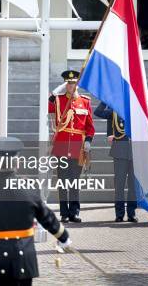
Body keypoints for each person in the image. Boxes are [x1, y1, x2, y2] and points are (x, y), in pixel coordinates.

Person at [0, 137, 71, 286]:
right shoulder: (28, 187)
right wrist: (63, 237)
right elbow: (46, 217)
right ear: (17, 162)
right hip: (23, 261)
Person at [48, 70, 95, 223]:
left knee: (74, 180)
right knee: (62, 180)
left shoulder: (85, 101)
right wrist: (55, 93)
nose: (71, 86)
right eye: (68, 83)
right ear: (65, 85)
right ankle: (64, 213)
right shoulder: (59, 100)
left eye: (73, 83)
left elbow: (89, 126)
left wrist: (88, 140)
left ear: (77, 84)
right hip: (62, 145)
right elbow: (47, 106)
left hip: (78, 146)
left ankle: (74, 212)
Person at [94, 102, 138, 222]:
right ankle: (119, 214)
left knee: (133, 186)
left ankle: (131, 213)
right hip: (119, 151)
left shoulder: (137, 110)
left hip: (135, 151)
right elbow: (98, 112)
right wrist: (106, 100)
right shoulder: (114, 111)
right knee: (119, 185)